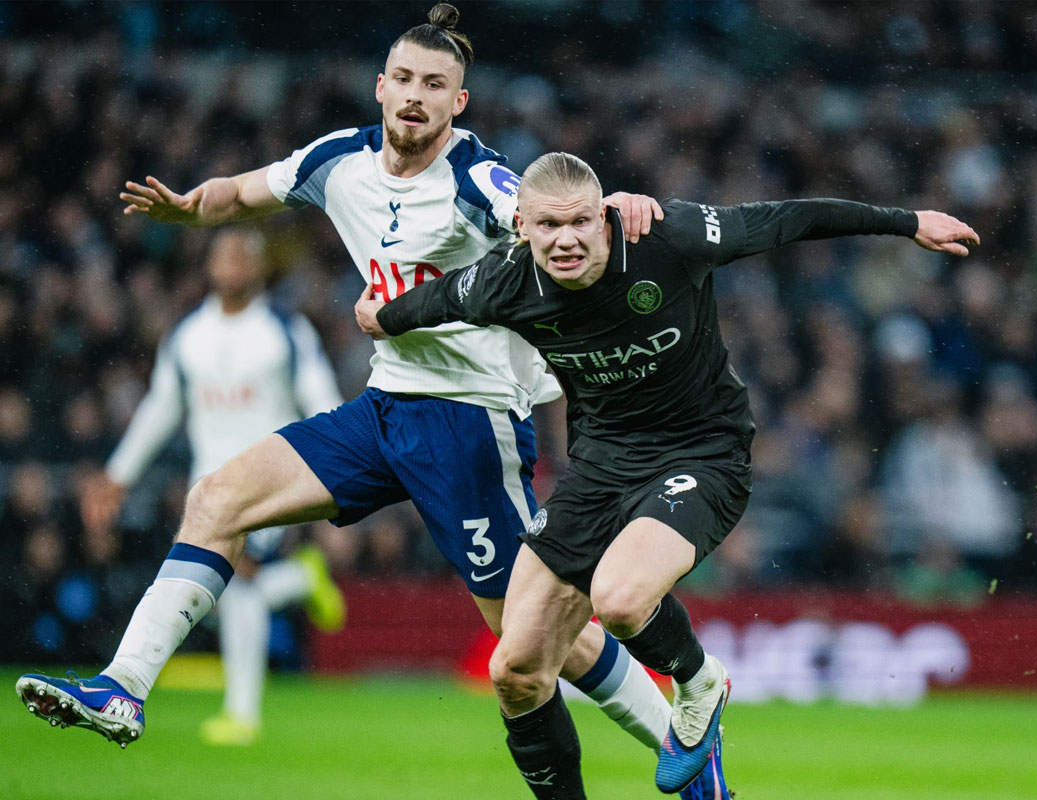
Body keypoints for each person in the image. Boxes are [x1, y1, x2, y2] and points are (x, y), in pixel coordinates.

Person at [16, 7, 731, 798]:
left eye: (437, 85)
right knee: (216, 498)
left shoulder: (477, 179)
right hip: (384, 408)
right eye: (406, 81)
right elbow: (246, 194)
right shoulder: (338, 160)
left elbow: (551, 217)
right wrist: (189, 206)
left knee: (535, 644)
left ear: (459, 103)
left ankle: (686, 739)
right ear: (380, 87)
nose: (417, 97)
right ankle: (122, 688)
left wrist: (618, 210)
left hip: (471, 423)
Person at [354, 151, 981, 797]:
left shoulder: (665, 237)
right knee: (514, 667)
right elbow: (428, 302)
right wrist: (380, 315)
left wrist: (905, 222)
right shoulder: (502, 282)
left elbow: (790, 218)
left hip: (701, 455)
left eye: (578, 222)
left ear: (603, 216)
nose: (565, 239)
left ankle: (701, 682)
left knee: (621, 601)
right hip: (598, 469)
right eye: (547, 226)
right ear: (521, 227)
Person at [86, 228, 346, 746]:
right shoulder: (187, 335)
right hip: (206, 486)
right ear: (208, 266)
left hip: (273, 477)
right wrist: (118, 474)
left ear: (258, 267)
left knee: (240, 580)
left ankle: (242, 714)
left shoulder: (285, 331)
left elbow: (322, 401)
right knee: (216, 596)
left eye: (241, 254)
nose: (231, 264)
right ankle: (298, 580)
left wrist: (335, 478)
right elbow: (161, 407)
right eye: (222, 255)